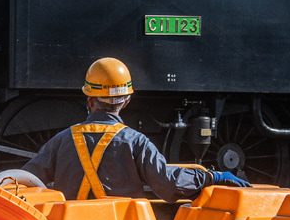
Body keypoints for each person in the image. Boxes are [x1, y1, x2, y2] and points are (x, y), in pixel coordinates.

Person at [22, 57, 250, 202]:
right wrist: (211, 176)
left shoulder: (62, 140)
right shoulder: (137, 142)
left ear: (89, 100)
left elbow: (25, 179)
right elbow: (168, 185)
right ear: (126, 102)